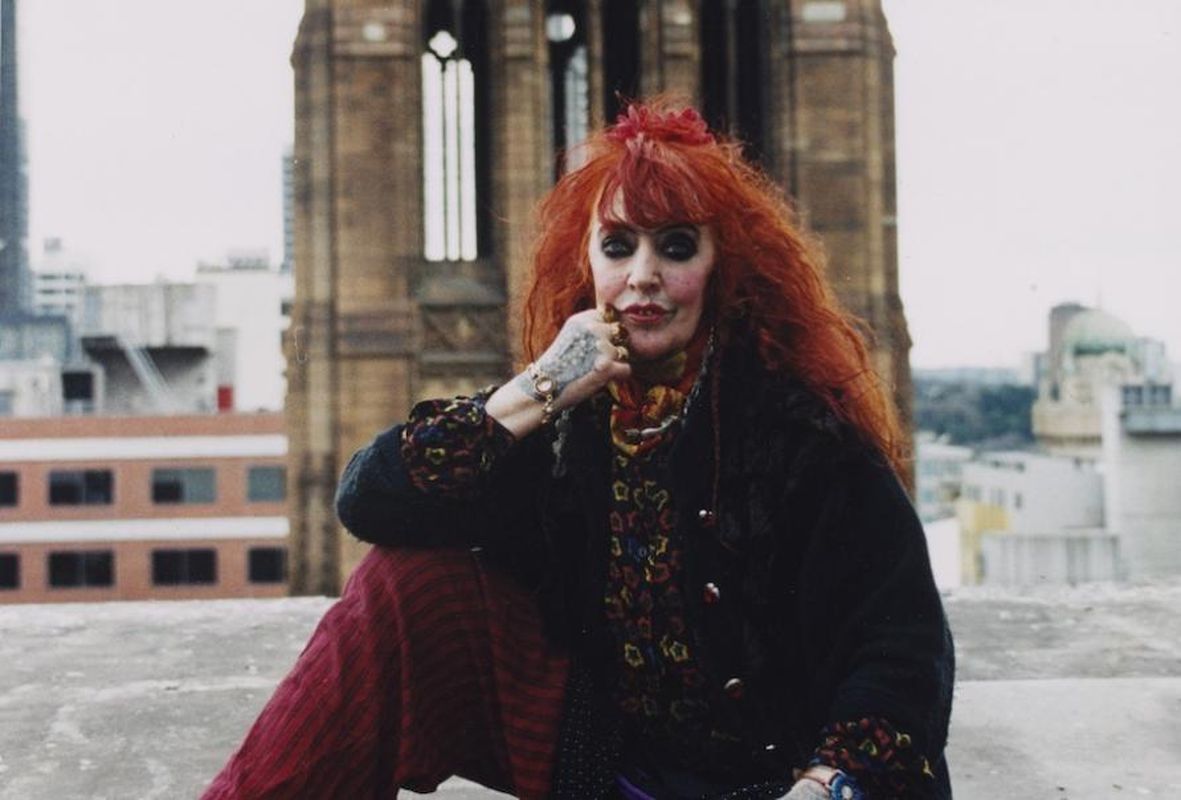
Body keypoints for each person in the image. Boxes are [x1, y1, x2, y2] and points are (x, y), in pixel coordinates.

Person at [204, 101, 953, 800]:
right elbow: (370, 502)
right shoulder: (573, 421)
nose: (643, 277)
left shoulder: (799, 433)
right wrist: (534, 391)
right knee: (405, 586)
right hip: (610, 763)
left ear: (722, 268)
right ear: (587, 263)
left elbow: (900, 647)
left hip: (767, 779)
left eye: (677, 246)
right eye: (618, 246)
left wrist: (829, 783)